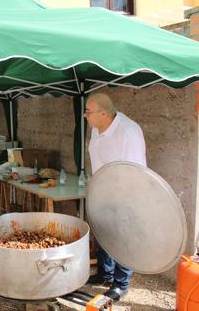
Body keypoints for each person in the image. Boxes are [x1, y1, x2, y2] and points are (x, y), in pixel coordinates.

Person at [85, 92, 146, 301]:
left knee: (123, 237)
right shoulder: (96, 128)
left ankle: (121, 283)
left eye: (88, 111)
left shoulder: (128, 133)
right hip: (104, 189)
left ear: (104, 113)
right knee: (104, 233)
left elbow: (134, 172)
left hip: (126, 193)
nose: (85, 115)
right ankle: (105, 274)